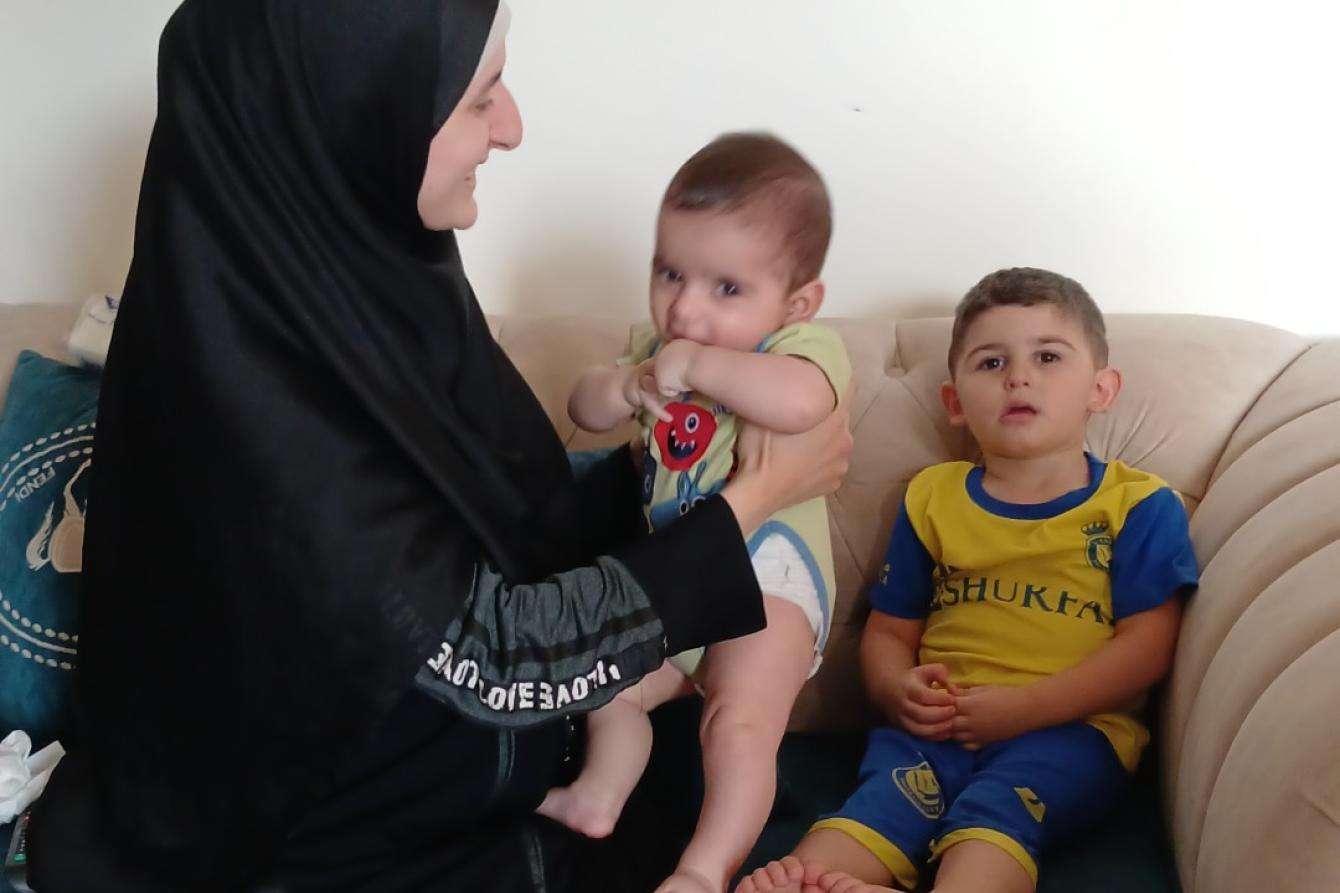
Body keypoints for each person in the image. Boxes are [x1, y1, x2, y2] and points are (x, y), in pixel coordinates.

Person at [24, 2, 852, 891]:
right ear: (356, 112)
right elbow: (491, 658)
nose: (513, 128)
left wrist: (668, 470)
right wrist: (752, 501)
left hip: (484, 781)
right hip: (343, 843)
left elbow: (508, 531)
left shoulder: (373, 301)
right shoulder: (255, 405)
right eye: (480, 95)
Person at [739, 268, 1199, 893]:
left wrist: (1027, 708)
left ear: (1101, 388)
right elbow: (889, 631)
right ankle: (811, 881)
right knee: (860, 823)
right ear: (954, 402)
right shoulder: (934, 497)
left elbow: (1149, 645)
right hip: (937, 728)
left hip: (1070, 731)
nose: (1019, 376)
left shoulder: (1137, 506)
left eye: (1047, 356)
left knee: (997, 819)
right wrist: (895, 686)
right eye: (990, 363)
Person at [540, 133, 850, 892]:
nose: (684, 307)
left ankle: (704, 872)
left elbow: (805, 401)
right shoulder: (656, 347)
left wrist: (704, 366)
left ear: (796, 300)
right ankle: (598, 796)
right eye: (669, 273)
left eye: (726, 288)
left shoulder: (800, 345)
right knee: (610, 687)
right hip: (680, 574)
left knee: (737, 722)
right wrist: (629, 386)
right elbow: (582, 403)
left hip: (769, 574)